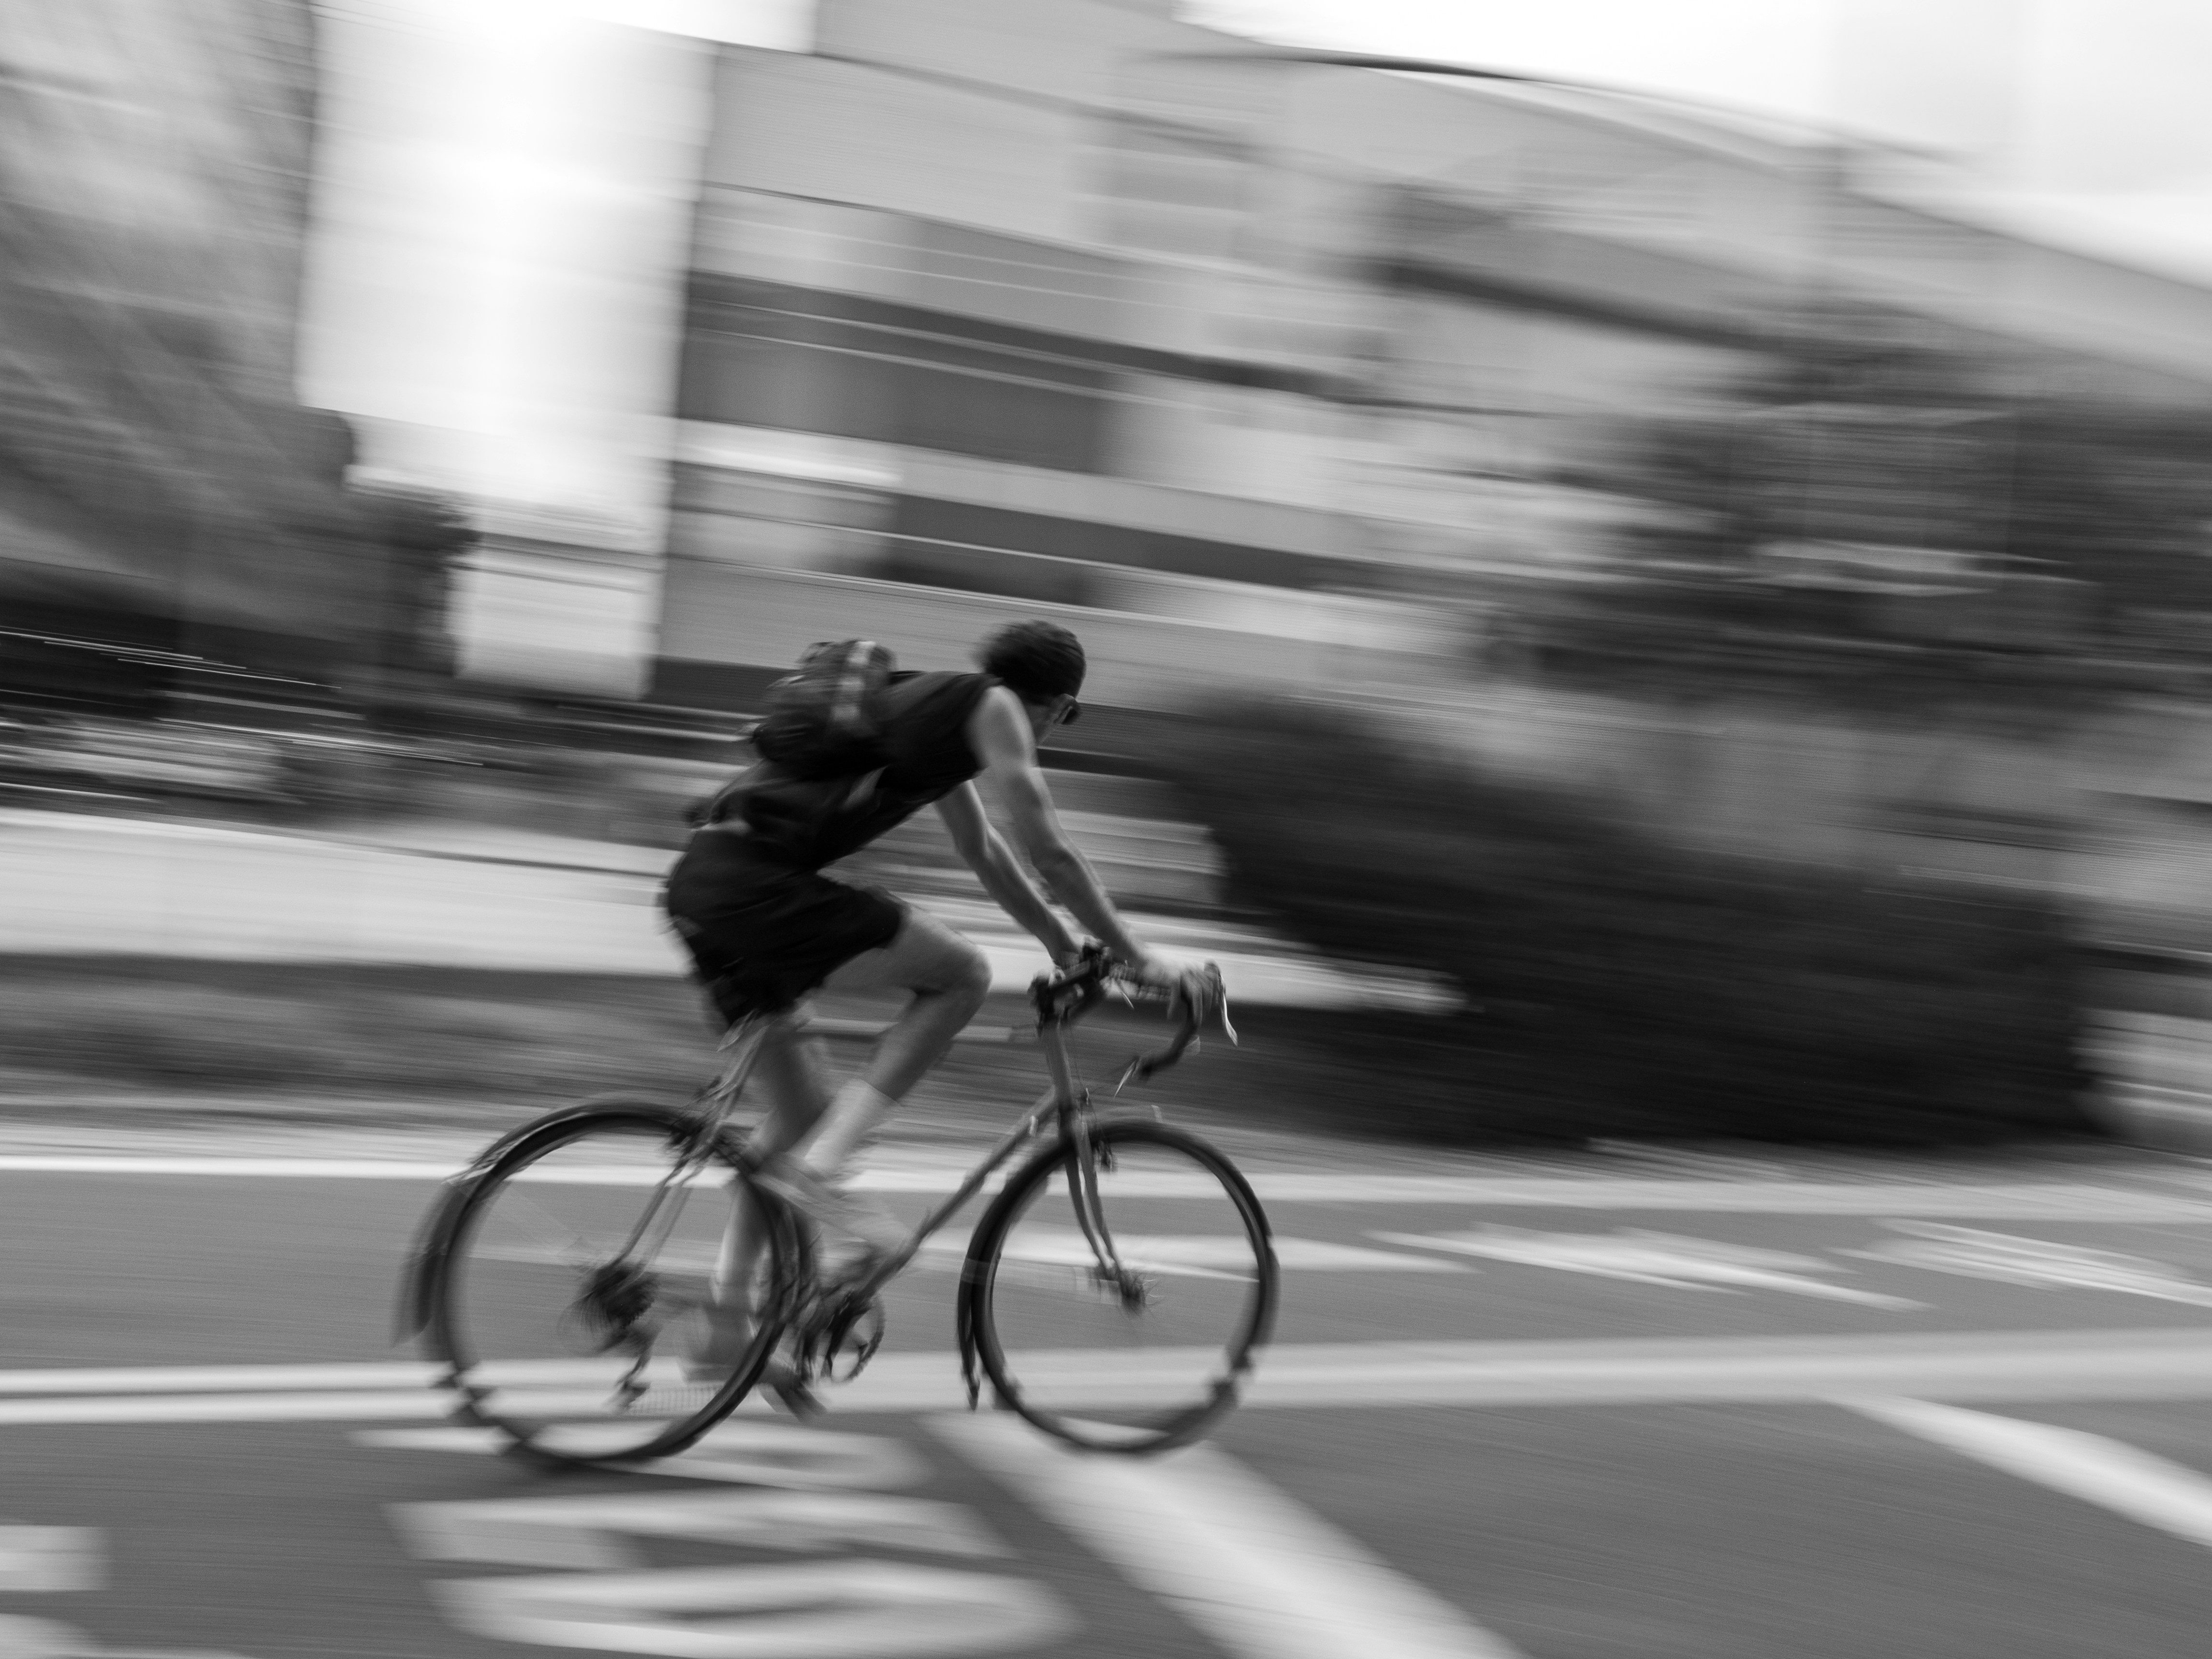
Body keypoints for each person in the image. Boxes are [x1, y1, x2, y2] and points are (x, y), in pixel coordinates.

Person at [662, 619, 1190, 1386]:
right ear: (1057, 702)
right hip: (758, 893)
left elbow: (990, 857)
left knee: (798, 1118)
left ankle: (724, 1327)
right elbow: (1048, 848)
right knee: (961, 977)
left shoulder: (932, 714)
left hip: (701, 890)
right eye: (1066, 715)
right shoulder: (998, 708)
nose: (1051, 728)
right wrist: (1142, 958)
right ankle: (827, 1176)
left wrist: (1067, 949)